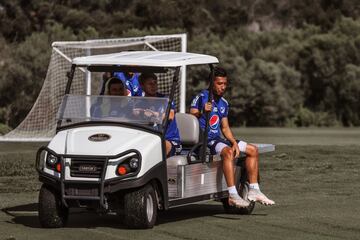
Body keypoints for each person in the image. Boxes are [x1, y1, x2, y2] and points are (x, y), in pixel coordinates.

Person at [190, 67, 275, 208]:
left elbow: (225, 127)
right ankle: (233, 194)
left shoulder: (224, 103)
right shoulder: (201, 97)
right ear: (211, 83)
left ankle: (254, 189)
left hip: (217, 139)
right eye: (219, 84)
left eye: (225, 83)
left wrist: (233, 142)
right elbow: (190, 117)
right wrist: (201, 111)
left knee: (252, 150)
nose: (223, 87)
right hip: (206, 141)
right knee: (228, 153)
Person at [137, 72, 182, 157]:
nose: (154, 86)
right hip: (150, 139)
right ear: (142, 86)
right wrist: (141, 112)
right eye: (150, 84)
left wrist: (154, 114)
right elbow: (134, 113)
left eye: (155, 83)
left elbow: (170, 115)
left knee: (161, 145)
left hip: (170, 140)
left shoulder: (165, 99)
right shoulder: (139, 102)